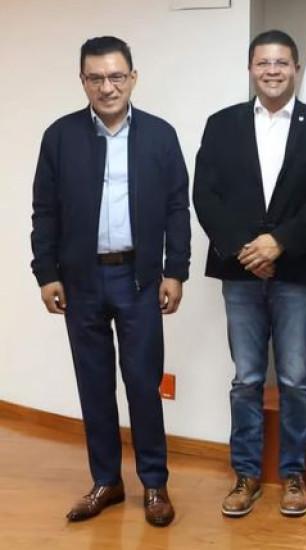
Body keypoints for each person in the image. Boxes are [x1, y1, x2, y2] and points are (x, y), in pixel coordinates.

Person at [30, 36, 190, 527]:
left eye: (116, 76)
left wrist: (176, 270)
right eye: (96, 77)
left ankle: (155, 483)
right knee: (94, 385)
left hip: (140, 280)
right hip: (81, 281)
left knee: (143, 384)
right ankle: (107, 481)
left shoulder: (160, 135)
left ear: (133, 78)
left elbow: (177, 208)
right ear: (82, 81)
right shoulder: (60, 137)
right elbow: (44, 211)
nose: (107, 87)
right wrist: (46, 273)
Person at [193, 30, 306, 518]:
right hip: (240, 273)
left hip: (297, 270)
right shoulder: (222, 124)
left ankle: (293, 473)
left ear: (296, 68)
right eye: (263, 62)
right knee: (247, 378)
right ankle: (246, 474)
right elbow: (205, 195)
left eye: (281, 62)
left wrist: (279, 243)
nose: (272, 71)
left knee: (295, 377)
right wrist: (247, 249)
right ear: (250, 69)